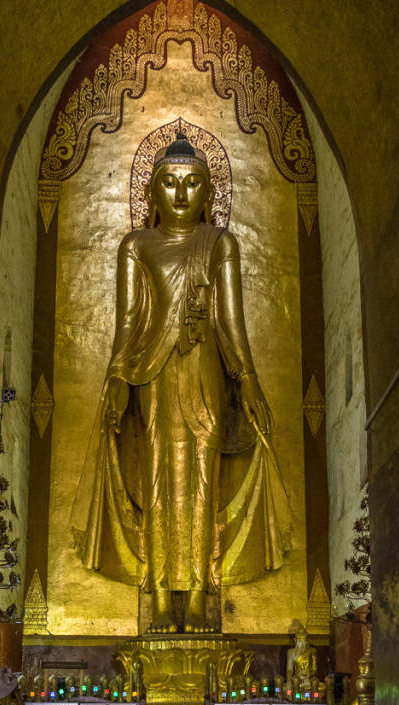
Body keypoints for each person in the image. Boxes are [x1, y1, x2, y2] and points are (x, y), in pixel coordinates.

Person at [72, 131, 289, 634]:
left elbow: (232, 321)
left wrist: (249, 379)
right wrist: (117, 378)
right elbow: (128, 319)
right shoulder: (136, 245)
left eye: (193, 184)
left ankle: (198, 592)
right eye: (169, 183)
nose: (181, 195)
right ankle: (160, 592)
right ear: (151, 193)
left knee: (202, 476)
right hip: (153, 369)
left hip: (206, 367)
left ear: (208, 193)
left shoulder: (220, 243)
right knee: (157, 476)